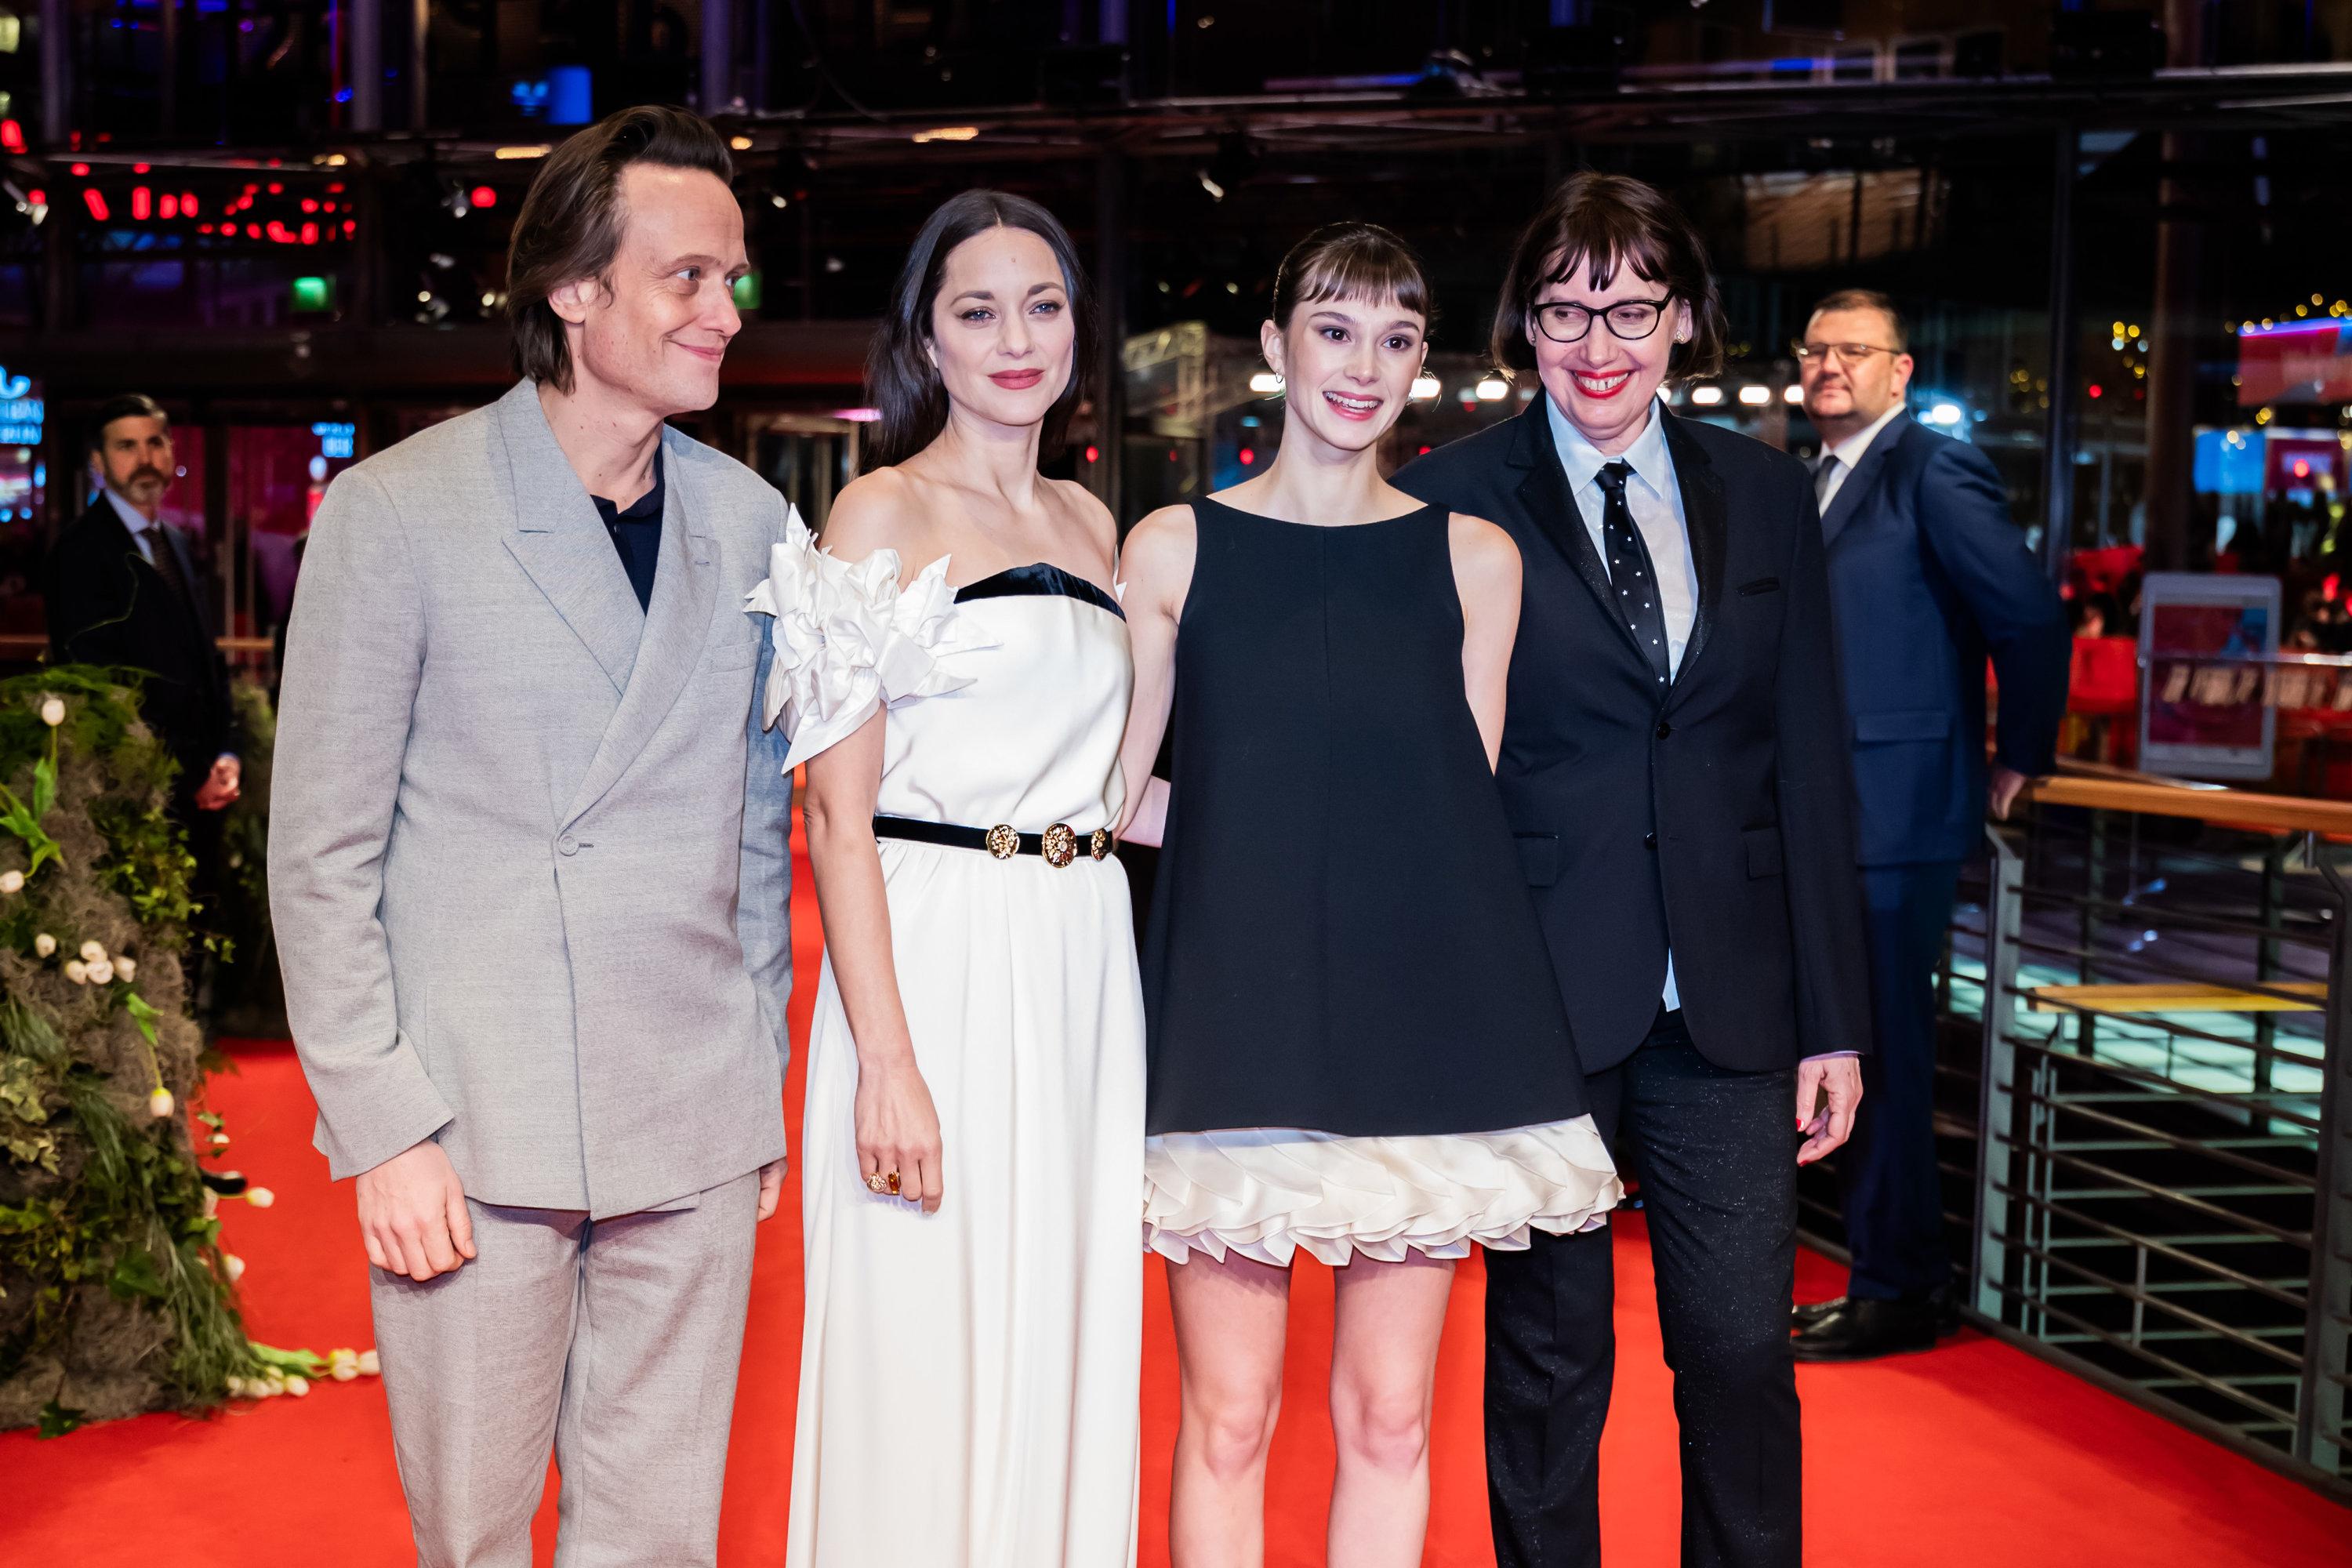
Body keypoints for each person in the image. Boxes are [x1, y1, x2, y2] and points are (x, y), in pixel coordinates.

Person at [268, 106, 795, 1567]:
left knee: (657, 1537)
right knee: (478, 1535)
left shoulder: (753, 527)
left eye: (732, 277)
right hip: (472, 1130)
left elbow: (757, 826)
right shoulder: (398, 514)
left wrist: (758, 1061)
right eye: (689, 277)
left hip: (688, 1116)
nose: (726, 311)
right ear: (576, 291)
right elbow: (319, 856)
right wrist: (386, 1128)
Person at [1119, 223, 1621, 1568]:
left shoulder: (1475, 562)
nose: (1366, 367)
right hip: (1238, 1024)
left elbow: (1459, 807)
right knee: (1229, 1418)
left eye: (1398, 340)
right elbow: (1115, 797)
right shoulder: (1173, 549)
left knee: (1393, 1419)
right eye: (1336, 332)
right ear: (1276, 347)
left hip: (1429, 1035)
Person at [1392, 173, 1872, 1568]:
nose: (1597, 344)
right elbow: (1427, 772)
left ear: (1682, 320)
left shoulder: (1769, 496)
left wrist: (1832, 1015)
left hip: (1730, 1003)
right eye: (1564, 310)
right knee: (1548, 1369)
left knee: (1736, 1357)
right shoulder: (1449, 498)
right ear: (1522, 324)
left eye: (1630, 308)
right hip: (1536, 997)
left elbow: (1811, 761)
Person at [773, 189, 1143, 1566]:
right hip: (927, 958)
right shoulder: (878, 510)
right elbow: (834, 815)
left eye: (1042, 305)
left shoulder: (1097, 522)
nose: (1016, 337)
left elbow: (1116, 789)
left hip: (1081, 961)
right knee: (917, 1332)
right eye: (978, 309)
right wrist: (885, 1061)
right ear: (926, 337)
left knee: (1061, 1314)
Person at [1791, 288, 2070, 1361]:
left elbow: (2030, 616)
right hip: (1825, 817)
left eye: (1853, 351)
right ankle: (1869, 1267)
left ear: (1900, 372)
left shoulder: (1930, 470)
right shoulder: (1811, 481)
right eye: (1816, 351)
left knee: (1887, 1056)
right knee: (1839, 1051)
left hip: (1898, 815)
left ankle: (1902, 1287)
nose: (1829, 367)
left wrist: (2020, 758)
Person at [46, 395, 241, 916]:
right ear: (98, 462)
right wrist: (193, 770)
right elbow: (104, 687)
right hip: (135, 791)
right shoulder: (81, 552)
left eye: (155, 442)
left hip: (201, 788)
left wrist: (226, 753)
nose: (145, 458)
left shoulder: (175, 541)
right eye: (126, 446)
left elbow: (205, 659)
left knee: (197, 941)